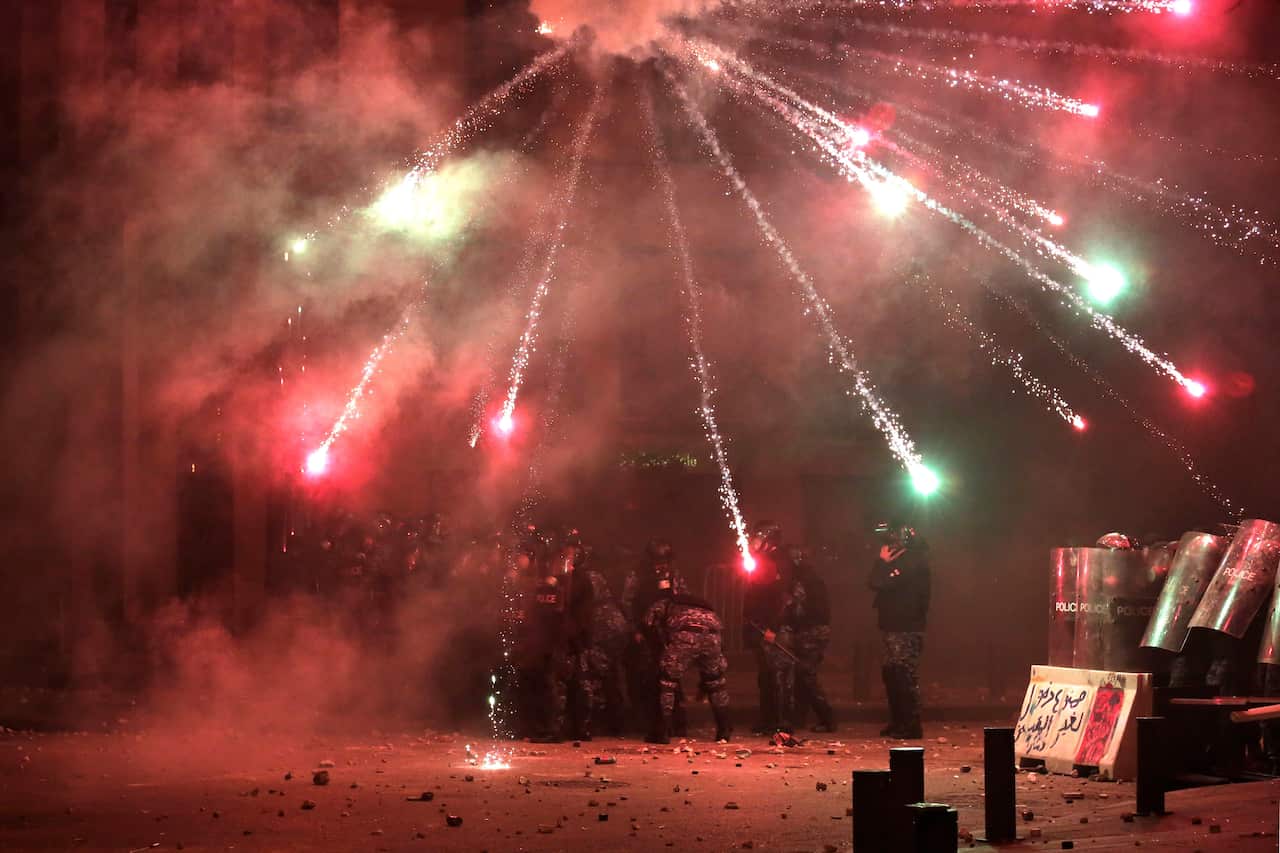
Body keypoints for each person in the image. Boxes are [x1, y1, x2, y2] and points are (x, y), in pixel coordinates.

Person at [644, 583, 732, 744]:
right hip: (713, 636)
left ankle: (662, 731)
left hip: (686, 635)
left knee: (667, 682)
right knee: (716, 682)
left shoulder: (665, 602)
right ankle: (724, 730)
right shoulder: (701, 604)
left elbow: (648, 623)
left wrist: (658, 645)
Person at [562, 529, 628, 739]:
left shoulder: (586, 577)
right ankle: (617, 721)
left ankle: (589, 724)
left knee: (590, 674)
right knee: (612, 674)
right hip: (615, 626)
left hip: (603, 627)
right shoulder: (597, 575)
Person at [870, 519, 931, 740]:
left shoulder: (912, 562)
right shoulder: (906, 561)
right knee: (893, 675)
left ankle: (910, 725)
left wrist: (882, 563)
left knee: (904, 676)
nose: (889, 543)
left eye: (894, 537)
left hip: (904, 628)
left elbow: (878, 582)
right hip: (895, 626)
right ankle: (898, 721)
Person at [622, 539, 689, 735]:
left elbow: (683, 599)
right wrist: (635, 629)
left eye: (665, 562)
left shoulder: (675, 575)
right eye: (658, 562)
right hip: (646, 631)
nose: (661, 566)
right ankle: (647, 722)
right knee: (646, 677)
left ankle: (676, 722)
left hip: (669, 632)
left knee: (672, 677)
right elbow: (627, 603)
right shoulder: (637, 576)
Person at [744, 520, 797, 737]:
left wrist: (773, 628)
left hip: (776, 628)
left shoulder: (780, 562)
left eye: (758, 538)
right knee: (765, 676)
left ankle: (782, 722)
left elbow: (785, 599)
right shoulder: (764, 561)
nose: (753, 542)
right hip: (762, 626)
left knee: (779, 677)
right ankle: (767, 719)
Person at [787, 545, 835, 733]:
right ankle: (800, 717)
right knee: (802, 674)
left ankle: (827, 717)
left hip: (811, 630)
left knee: (806, 675)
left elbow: (799, 609)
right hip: (815, 629)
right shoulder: (813, 578)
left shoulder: (804, 581)